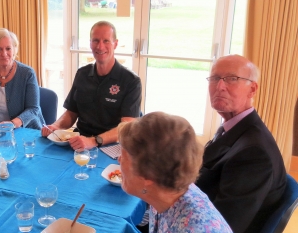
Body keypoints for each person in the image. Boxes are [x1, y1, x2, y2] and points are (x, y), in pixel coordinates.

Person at [195, 55, 287, 233]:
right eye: (215, 78)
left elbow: (223, 226)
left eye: (231, 79)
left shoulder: (254, 154)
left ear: (252, 89)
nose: (220, 86)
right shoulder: (234, 128)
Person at [118, 112, 232, 233]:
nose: (119, 159)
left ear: (148, 175)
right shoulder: (166, 193)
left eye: (124, 156)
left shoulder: (195, 228)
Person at [41, 21, 142, 150]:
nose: (100, 46)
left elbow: (126, 127)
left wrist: (94, 141)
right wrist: (56, 126)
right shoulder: (82, 74)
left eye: (106, 41)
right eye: (95, 40)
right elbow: (71, 112)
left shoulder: (131, 81)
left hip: (112, 146)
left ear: (115, 44)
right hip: (80, 142)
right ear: (90, 43)